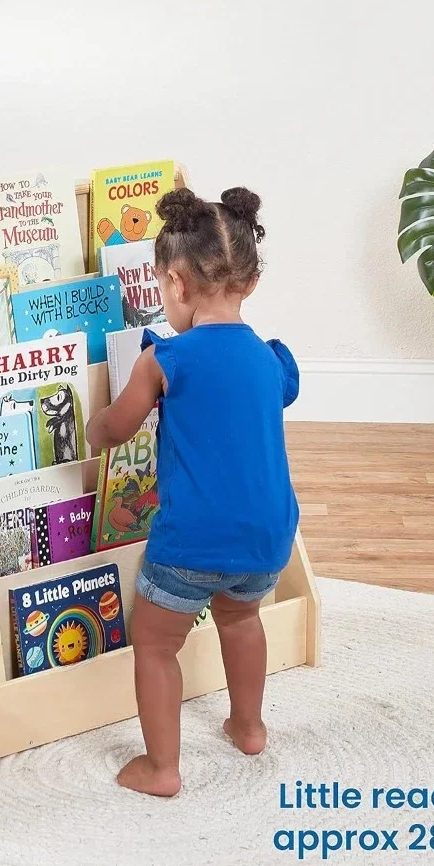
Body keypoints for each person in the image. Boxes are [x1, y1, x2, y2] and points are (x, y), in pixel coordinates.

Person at [85, 186, 299, 797]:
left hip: (191, 541)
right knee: (242, 620)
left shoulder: (165, 360)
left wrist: (93, 430)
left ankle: (161, 768)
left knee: (154, 642)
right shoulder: (270, 359)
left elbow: (117, 426)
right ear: (249, 284)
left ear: (176, 286)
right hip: (267, 538)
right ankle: (249, 726)